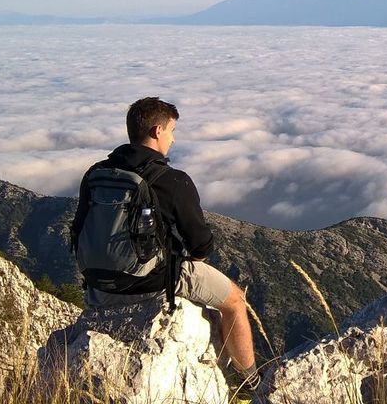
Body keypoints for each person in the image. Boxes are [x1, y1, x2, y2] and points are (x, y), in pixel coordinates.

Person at [71, 97, 259, 394]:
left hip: (99, 285)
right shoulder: (172, 180)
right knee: (234, 301)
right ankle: (251, 382)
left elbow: (79, 228)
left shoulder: (96, 174)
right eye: (171, 131)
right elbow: (200, 244)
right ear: (157, 131)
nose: (173, 138)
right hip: (154, 281)